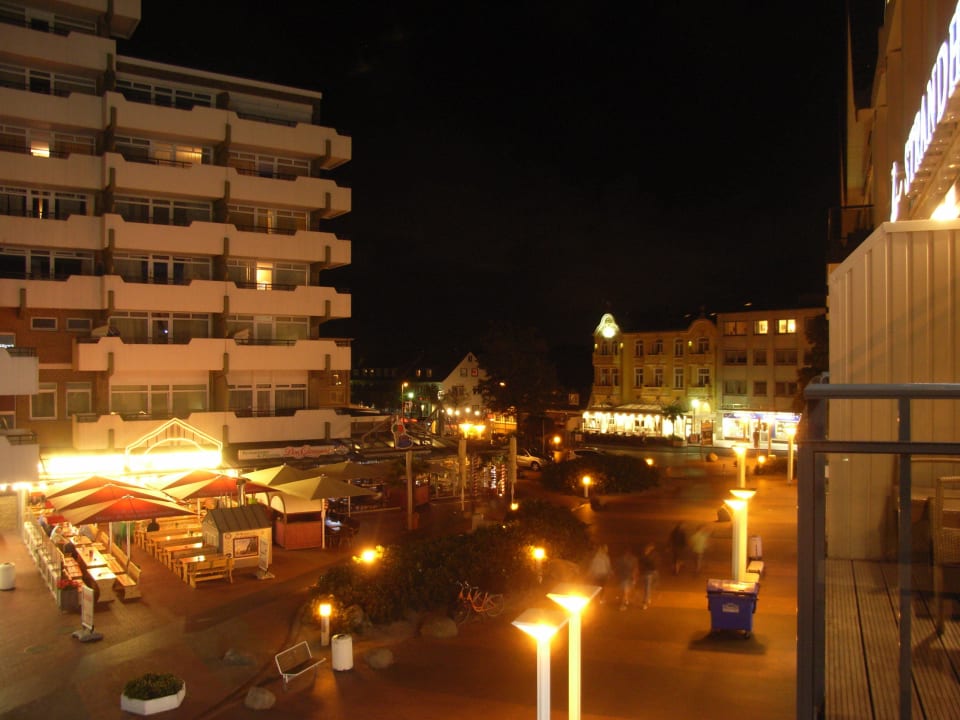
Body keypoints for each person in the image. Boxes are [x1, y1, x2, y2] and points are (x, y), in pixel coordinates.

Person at [616, 547, 639, 611]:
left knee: (625, 592)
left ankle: (625, 602)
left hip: (624, 578)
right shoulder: (633, 559)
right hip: (627, 578)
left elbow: (618, 569)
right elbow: (635, 569)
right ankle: (623, 604)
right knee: (625, 592)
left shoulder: (621, 559)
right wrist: (635, 578)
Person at [640, 543, 659, 609]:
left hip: (651, 572)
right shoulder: (646, 554)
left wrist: (646, 555)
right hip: (649, 573)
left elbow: (651, 563)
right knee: (647, 587)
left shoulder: (653, 554)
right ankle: (645, 602)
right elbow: (642, 562)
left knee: (649, 587)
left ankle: (647, 598)